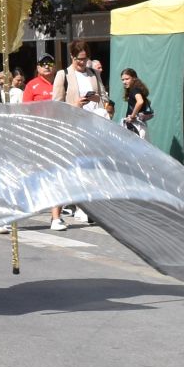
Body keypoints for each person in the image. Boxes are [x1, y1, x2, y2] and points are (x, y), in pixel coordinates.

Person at [47, 43, 106, 230]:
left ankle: (83, 209)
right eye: (79, 59)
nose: (82, 62)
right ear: (72, 57)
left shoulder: (94, 74)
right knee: (64, 171)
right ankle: (55, 217)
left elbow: (105, 98)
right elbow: (56, 105)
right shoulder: (62, 75)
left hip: (91, 128)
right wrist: (75, 105)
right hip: (70, 129)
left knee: (88, 171)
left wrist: (99, 99)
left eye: (84, 58)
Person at [119, 68, 152, 140]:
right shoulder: (136, 89)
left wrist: (132, 116)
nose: (124, 82)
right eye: (122, 80)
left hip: (135, 127)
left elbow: (140, 101)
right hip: (139, 126)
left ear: (134, 78)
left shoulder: (134, 89)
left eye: (127, 79)